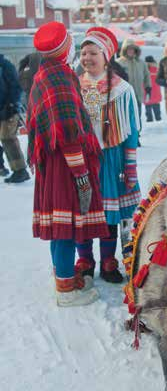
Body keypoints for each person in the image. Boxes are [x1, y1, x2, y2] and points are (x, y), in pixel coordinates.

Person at [27, 21, 109, 307]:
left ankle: (62, 275)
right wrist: (81, 173)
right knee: (64, 226)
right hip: (65, 165)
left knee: (59, 224)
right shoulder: (60, 77)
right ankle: (66, 291)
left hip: (52, 164)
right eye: (70, 41)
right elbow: (67, 132)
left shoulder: (43, 74)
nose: (74, 46)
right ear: (63, 48)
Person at [77, 27, 142, 283]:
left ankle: (107, 261)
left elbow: (131, 131)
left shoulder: (121, 89)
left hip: (110, 159)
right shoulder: (75, 85)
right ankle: (84, 259)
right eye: (83, 53)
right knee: (82, 213)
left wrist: (130, 164)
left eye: (93, 52)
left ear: (106, 56)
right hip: (82, 160)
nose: (87, 58)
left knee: (108, 216)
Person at [0, 54, 30, 183]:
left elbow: (16, 87)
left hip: (8, 110)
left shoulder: (5, 66)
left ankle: (20, 171)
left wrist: (12, 104)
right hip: (3, 108)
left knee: (8, 138)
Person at [116, 38, 151, 127]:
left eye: (132, 49)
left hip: (137, 96)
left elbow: (147, 76)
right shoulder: (119, 63)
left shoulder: (141, 63)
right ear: (124, 50)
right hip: (123, 97)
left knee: (137, 119)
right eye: (128, 49)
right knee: (125, 120)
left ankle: (137, 137)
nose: (131, 51)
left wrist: (148, 88)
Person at [143, 56, 162, 122]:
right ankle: (158, 118)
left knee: (148, 106)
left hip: (147, 90)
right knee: (156, 106)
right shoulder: (157, 68)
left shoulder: (144, 69)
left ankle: (149, 119)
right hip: (156, 91)